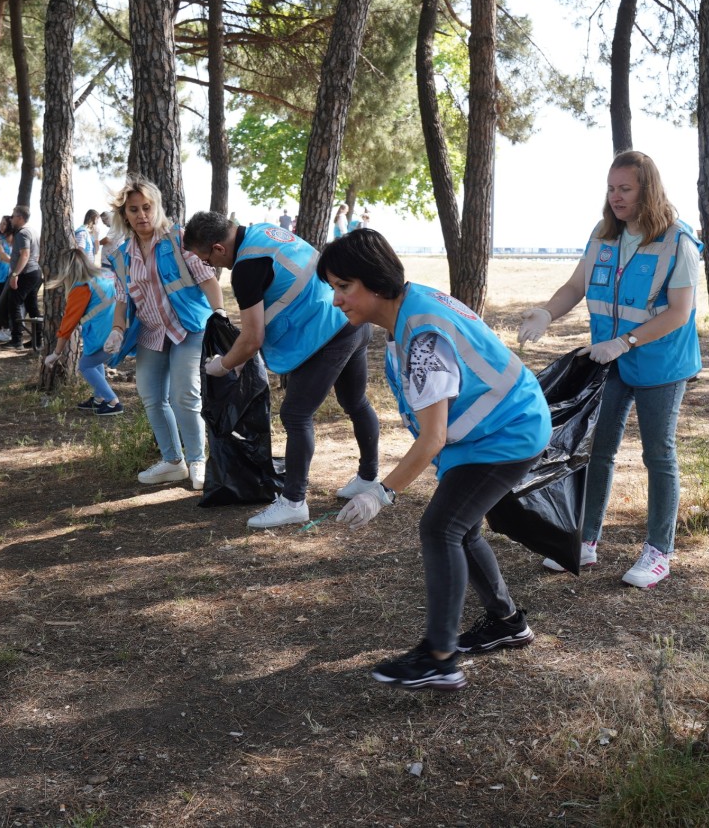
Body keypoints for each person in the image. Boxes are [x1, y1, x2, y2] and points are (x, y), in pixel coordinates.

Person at [316, 229, 551, 691]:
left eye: (344, 287)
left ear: (375, 283)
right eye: (333, 288)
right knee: (460, 528)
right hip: (492, 430)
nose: (337, 299)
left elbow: (432, 438)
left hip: (507, 433)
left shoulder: (422, 335)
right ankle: (506, 622)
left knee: (441, 528)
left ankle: (439, 658)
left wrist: (380, 493)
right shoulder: (411, 306)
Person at [517, 150, 702, 589]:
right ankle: (585, 540)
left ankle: (659, 552)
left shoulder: (677, 241)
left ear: (647, 190)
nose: (616, 197)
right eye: (611, 188)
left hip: (660, 361)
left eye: (626, 189)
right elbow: (576, 286)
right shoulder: (603, 235)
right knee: (597, 449)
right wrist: (546, 312)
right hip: (608, 361)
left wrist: (627, 341)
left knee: (658, 455)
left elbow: (678, 313)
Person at [183, 211, 381, 528]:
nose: (208, 265)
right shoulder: (264, 232)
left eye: (205, 257)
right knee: (355, 402)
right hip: (350, 319)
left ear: (219, 248)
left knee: (296, 414)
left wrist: (222, 365)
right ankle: (368, 477)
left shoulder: (246, 267)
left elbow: (251, 339)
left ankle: (293, 502)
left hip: (325, 334)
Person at [102, 176, 223, 491]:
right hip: (152, 333)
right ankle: (173, 462)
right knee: (151, 396)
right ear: (124, 215)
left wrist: (220, 315)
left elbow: (208, 280)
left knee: (184, 395)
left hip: (189, 328)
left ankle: (198, 461)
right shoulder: (121, 255)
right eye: (134, 209)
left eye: (147, 207)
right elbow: (121, 299)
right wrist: (117, 329)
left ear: (156, 207)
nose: (142, 214)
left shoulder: (178, 239)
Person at [44, 248, 123, 416]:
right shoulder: (104, 275)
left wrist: (56, 353)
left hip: (105, 333)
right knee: (94, 362)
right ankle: (98, 399)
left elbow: (68, 324)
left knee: (85, 365)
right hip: (119, 327)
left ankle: (113, 402)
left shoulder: (81, 287)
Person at [2, 205, 43, 351]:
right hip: (35, 272)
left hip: (26, 274)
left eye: (13, 216)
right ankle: (37, 341)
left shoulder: (23, 233)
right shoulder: (32, 230)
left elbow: (25, 255)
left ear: (20, 218)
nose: (11, 219)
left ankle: (17, 340)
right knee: (32, 306)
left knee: (13, 304)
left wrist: (15, 274)